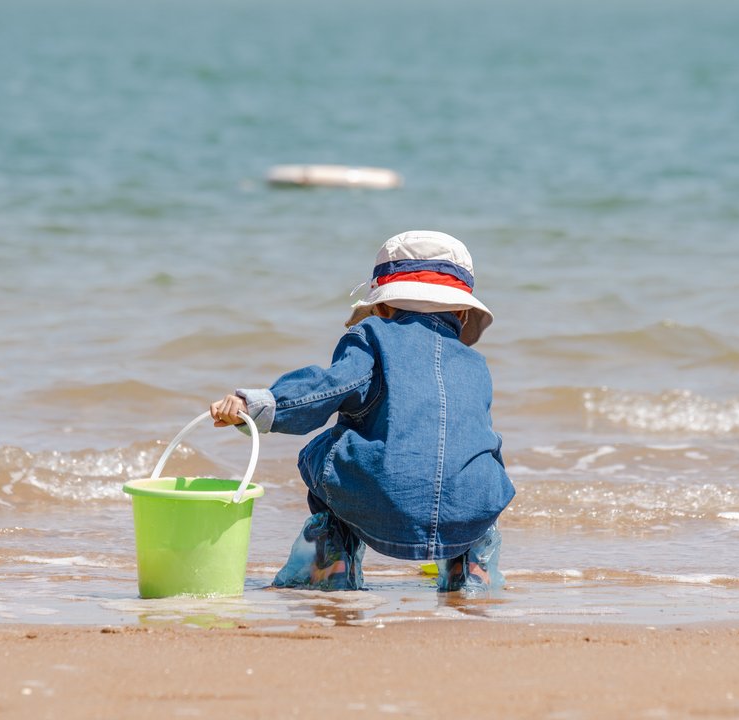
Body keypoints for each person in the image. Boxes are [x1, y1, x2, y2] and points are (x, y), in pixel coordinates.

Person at [210, 230, 515, 594]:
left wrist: (259, 406)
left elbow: (328, 388)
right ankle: (470, 571)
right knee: (477, 467)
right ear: (463, 313)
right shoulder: (476, 363)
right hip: (466, 515)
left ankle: (332, 563)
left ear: (382, 306)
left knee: (318, 452)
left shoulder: (371, 336)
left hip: (383, 504)